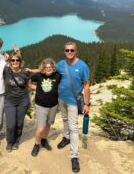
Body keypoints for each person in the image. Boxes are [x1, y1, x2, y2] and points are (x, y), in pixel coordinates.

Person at [56, 42, 90, 173]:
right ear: (64, 51)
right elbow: (46, 69)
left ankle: (74, 156)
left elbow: (86, 85)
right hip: (61, 98)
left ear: (76, 51)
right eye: (67, 50)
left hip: (74, 102)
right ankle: (66, 137)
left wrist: (87, 104)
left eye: (72, 50)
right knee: (64, 119)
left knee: (74, 127)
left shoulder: (82, 66)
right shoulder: (60, 64)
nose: (69, 52)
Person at [29, 58, 61, 157]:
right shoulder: (38, 75)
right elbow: (29, 82)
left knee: (48, 124)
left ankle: (44, 140)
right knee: (40, 128)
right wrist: (35, 88)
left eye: (50, 67)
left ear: (53, 67)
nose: (48, 69)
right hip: (41, 106)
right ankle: (36, 144)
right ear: (43, 68)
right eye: (46, 67)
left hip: (53, 105)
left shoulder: (58, 76)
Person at [3, 52, 30, 152]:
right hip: (9, 101)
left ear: (20, 62)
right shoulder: (6, 70)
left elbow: (29, 85)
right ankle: (9, 142)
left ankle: (16, 141)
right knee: (10, 124)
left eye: (17, 60)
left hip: (23, 101)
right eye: (13, 60)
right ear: (10, 62)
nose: (15, 62)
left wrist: (44, 89)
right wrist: (5, 57)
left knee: (19, 124)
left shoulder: (25, 72)